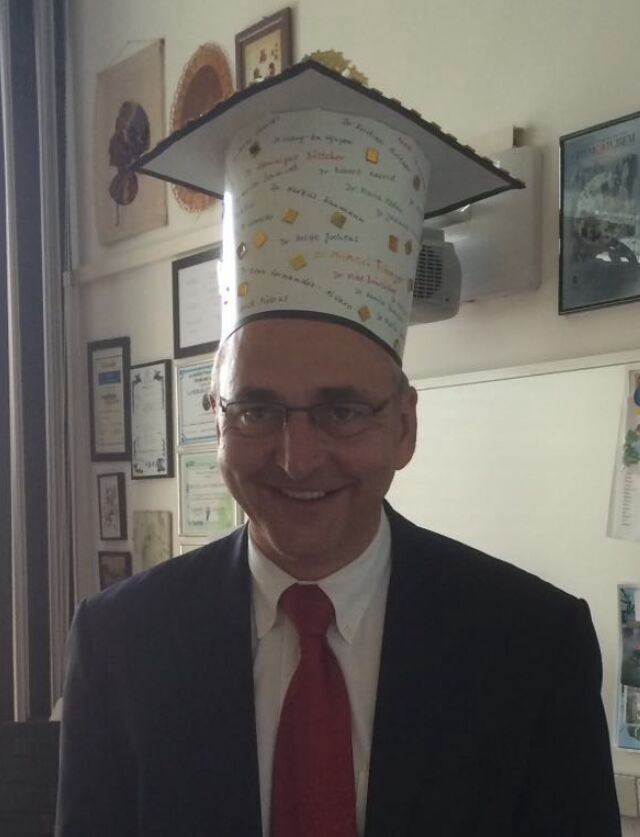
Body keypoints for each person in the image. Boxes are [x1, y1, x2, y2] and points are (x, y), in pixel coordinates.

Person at [56, 55, 620, 836]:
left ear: (404, 425)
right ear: (216, 417)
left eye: (342, 409)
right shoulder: (122, 645)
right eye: (257, 409)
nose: (296, 457)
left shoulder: (530, 646)